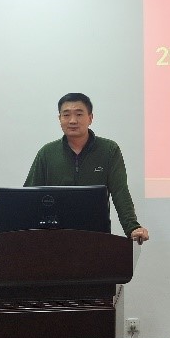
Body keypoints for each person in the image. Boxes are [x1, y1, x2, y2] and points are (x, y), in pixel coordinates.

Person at [24, 93, 149, 243]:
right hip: (53, 237)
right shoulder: (47, 153)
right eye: (66, 115)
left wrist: (132, 227)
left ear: (90, 118)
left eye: (79, 114)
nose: (72, 120)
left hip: (96, 236)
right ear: (60, 119)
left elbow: (120, 192)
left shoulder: (109, 150)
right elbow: (29, 196)